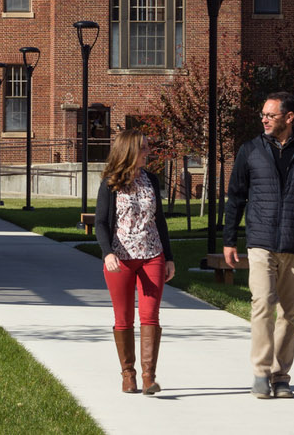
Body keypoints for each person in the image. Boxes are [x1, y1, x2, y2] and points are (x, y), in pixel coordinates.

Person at [222, 90, 294, 399]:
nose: (264, 120)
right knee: (263, 303)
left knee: (289, 313)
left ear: (289, 117)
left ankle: (281, 375)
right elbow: (236, 198)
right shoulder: (251, 150)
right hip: (261, 240)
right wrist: (229, 239)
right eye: (263, 115)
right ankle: (260, 372)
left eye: (270, 115)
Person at [93, 128, 175, 395]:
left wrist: (169, 257)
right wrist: (107, 252)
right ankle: (128, 375)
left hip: (152, 254)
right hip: (121, 259)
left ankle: (149, 377)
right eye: (143, 148)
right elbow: (101, 222)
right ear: (129, 150)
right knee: (124, 317)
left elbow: (159, 221)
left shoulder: (151, 179)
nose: (147, 152)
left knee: (150, 315)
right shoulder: (110, 183)